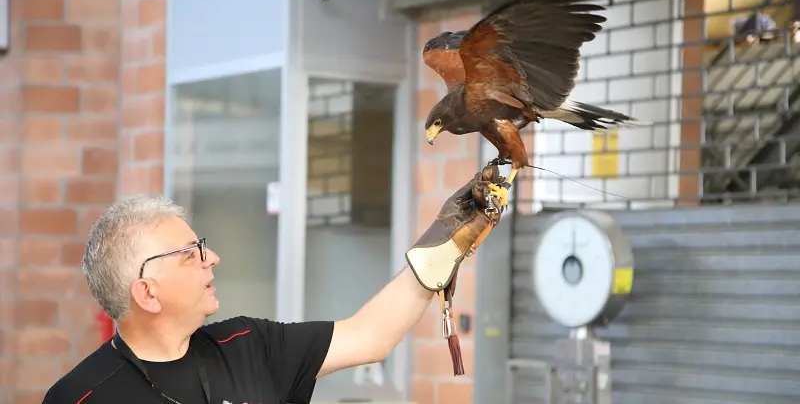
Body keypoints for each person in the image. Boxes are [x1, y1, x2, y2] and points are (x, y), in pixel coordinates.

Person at [41, 166, 508, 404]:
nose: (213, 258)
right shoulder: (80, 397)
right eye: (192, 253)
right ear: (147, 293)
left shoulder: (248, 344)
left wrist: (444, 243)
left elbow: (370, 336)